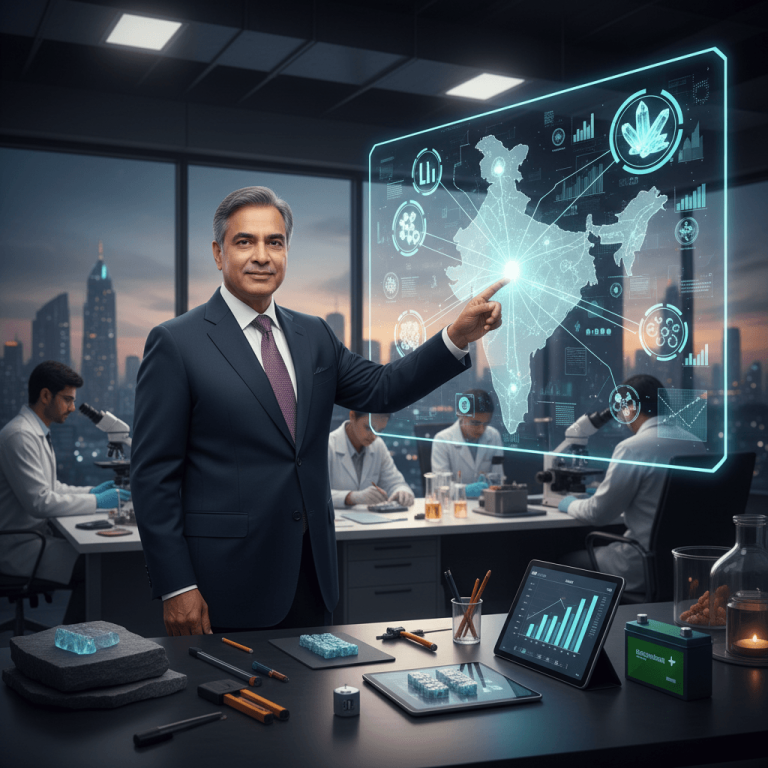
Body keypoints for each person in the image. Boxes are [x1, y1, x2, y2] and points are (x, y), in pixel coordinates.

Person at [131, 186, 508, 636]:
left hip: (312, 577)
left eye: (275, 242)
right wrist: (177, 586)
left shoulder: (313, 335)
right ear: (218, 253)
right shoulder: (177, 342)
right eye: (244, 242)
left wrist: (456, 336)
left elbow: (382, 389)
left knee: (313, 704)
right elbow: (153, 477)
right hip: (224, 583)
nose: (262, 256)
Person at [0, 361, 130, 623]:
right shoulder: (19, 436)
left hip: (33, 539)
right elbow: (40, 502)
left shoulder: (35, 431)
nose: (72, 408)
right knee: (100, 571)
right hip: (20, 547)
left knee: (100, 563)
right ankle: (70, 646)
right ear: (46, 395)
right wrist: (97, 501)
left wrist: (91, 490)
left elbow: (51, 487)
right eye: (68, 400)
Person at [558, 374, 706, 592]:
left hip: (640, 564)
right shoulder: (695, 444)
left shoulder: (632, 448)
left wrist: (568, 503)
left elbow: (598, 514)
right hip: (684, 567)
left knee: (565, 561)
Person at [328, 411, 414, 508]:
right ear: (352, 416)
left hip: (370, 520)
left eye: (379, 431)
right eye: (368, 428)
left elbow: (395, 483)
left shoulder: (378, 445)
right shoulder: (328, 446)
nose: (373, 436)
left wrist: (402, 492)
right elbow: (315, 494)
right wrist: (351, 497)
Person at [430, 389, 504, 484]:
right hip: (456, 499)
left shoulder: (494, 436)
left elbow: (498, 479)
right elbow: (440, 484)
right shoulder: (442, 440)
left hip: (487, 498)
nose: (482, 429)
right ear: (461, 415)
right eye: (475, 423)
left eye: (486, 424)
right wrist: (465, 491)